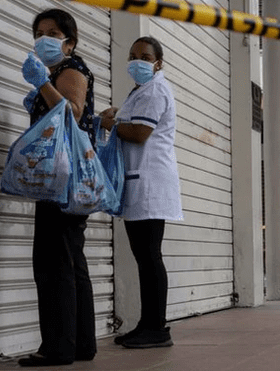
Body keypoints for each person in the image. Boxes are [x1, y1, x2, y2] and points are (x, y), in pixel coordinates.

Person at [17, 8, 97, 367]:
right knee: (69, 259)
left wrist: (43, 86)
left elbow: (73, 112)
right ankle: (80, 343)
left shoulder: (71, 70)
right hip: (66, 176)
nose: (43, 37)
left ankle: (58, 347)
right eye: (39, 31)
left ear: (70, 41)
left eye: (52, 32)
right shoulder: (61, 72)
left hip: (60, 177)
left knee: (53, 263)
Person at [99, 36, 183, 349]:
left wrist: (109, 121)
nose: (138, 61)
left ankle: (157, 329)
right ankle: (147, 324)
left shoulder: (156, 88)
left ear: (158, 62)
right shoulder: (144, 90)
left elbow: (139, 133)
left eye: (145, 56)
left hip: (149, 182)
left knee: (149, 257)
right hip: (141, 181)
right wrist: (119, 115)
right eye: (133, 55)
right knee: (144, 257)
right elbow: (135, 122)